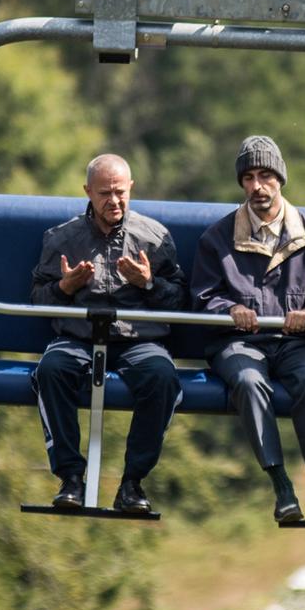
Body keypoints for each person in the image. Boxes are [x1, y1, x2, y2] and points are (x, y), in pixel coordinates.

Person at [190, 135, 305, 523]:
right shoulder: (217, 239)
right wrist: (232, 309)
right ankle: (281, 486)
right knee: (247, 381)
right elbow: (204, 296)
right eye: (248, 178)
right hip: (239, 342)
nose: (257, 186)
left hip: (297, 344)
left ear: (280, 179)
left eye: (265, 176)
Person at [30, 153, 186, 513]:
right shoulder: (61, 239)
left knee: (162, 378)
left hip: (138, 340)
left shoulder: (154, 238)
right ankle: (70, 478)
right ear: (87, 192)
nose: (113, 201)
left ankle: (132, 482)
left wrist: (148, 283)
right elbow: (38, 297)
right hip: (79, 336)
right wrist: (65, 289)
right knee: (51, 371)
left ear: (131, 188)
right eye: (104, 193)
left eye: (119, 192)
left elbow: (180, 299)